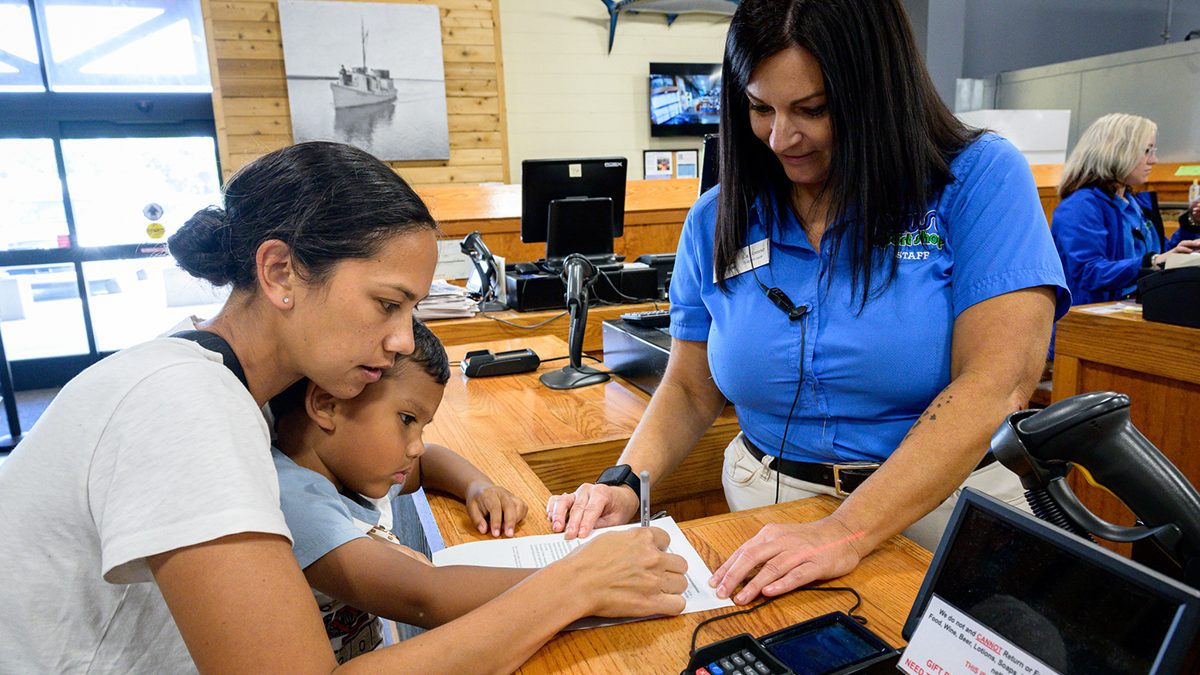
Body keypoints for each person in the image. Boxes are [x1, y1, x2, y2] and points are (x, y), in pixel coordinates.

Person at [0, 141, 687, 672]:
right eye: (387, 304)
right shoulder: (181, 406)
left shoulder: (241, 392)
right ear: (279, 273)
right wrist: (573, 584)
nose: (398, 339)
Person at [548, 0, 1069, 607]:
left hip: (945, 512)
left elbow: (994, 382)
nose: (780, 137)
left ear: (877, 93)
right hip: (769, 512)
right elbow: (690, 387)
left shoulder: (977, 178)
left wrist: (846, 529)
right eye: (760, 108)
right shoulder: (717, 217)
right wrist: (627, 480)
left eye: (812, 110)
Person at [270, 319, 532, 663]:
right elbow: (425, 596)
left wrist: (477, 486)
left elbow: (427, 464)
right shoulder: (292, 498)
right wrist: (574, 576)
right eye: (407, 419)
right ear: (327, 404)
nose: (417, 447)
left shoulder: (355, 470)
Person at [1052, 113, 1200, 305]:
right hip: (1091, 319)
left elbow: (1162, 255)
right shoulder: (1080, 206)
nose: (1154, 160)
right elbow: (1088, 272)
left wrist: (1191, 224)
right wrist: (1151, 262)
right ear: (1117, 152)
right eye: (1147, 151)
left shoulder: (1135, 204)